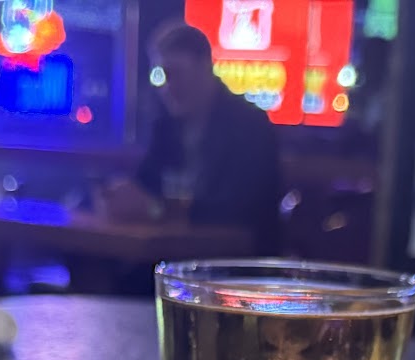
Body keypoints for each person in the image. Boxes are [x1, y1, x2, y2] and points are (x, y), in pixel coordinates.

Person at [103, 22, 282, 253]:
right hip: (173, 255)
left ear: (205, 67)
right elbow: (145, 185)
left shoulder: (249, 125)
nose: (167, 87)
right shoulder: (165, 126)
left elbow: (239, 211)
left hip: (235, 263)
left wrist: (157, 210)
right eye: (162, 76)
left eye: (176, 73)